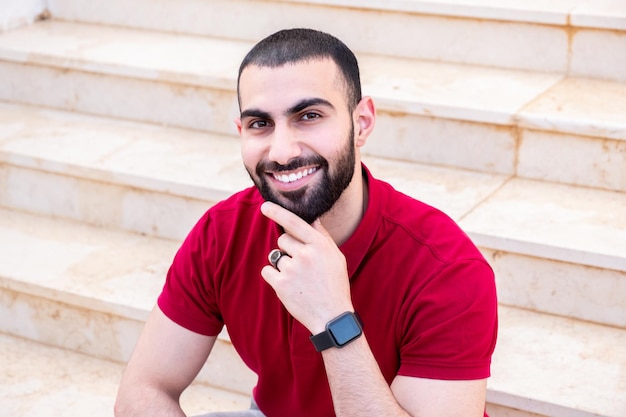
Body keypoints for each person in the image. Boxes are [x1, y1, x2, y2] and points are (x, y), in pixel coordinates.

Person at [114, 28, 498, 417]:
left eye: (309, 116)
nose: (281, 152)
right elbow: (144, 389)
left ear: (362, 123)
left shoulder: (447, 270)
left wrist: (332, 318)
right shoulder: (223, 232)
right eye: (260, 124)